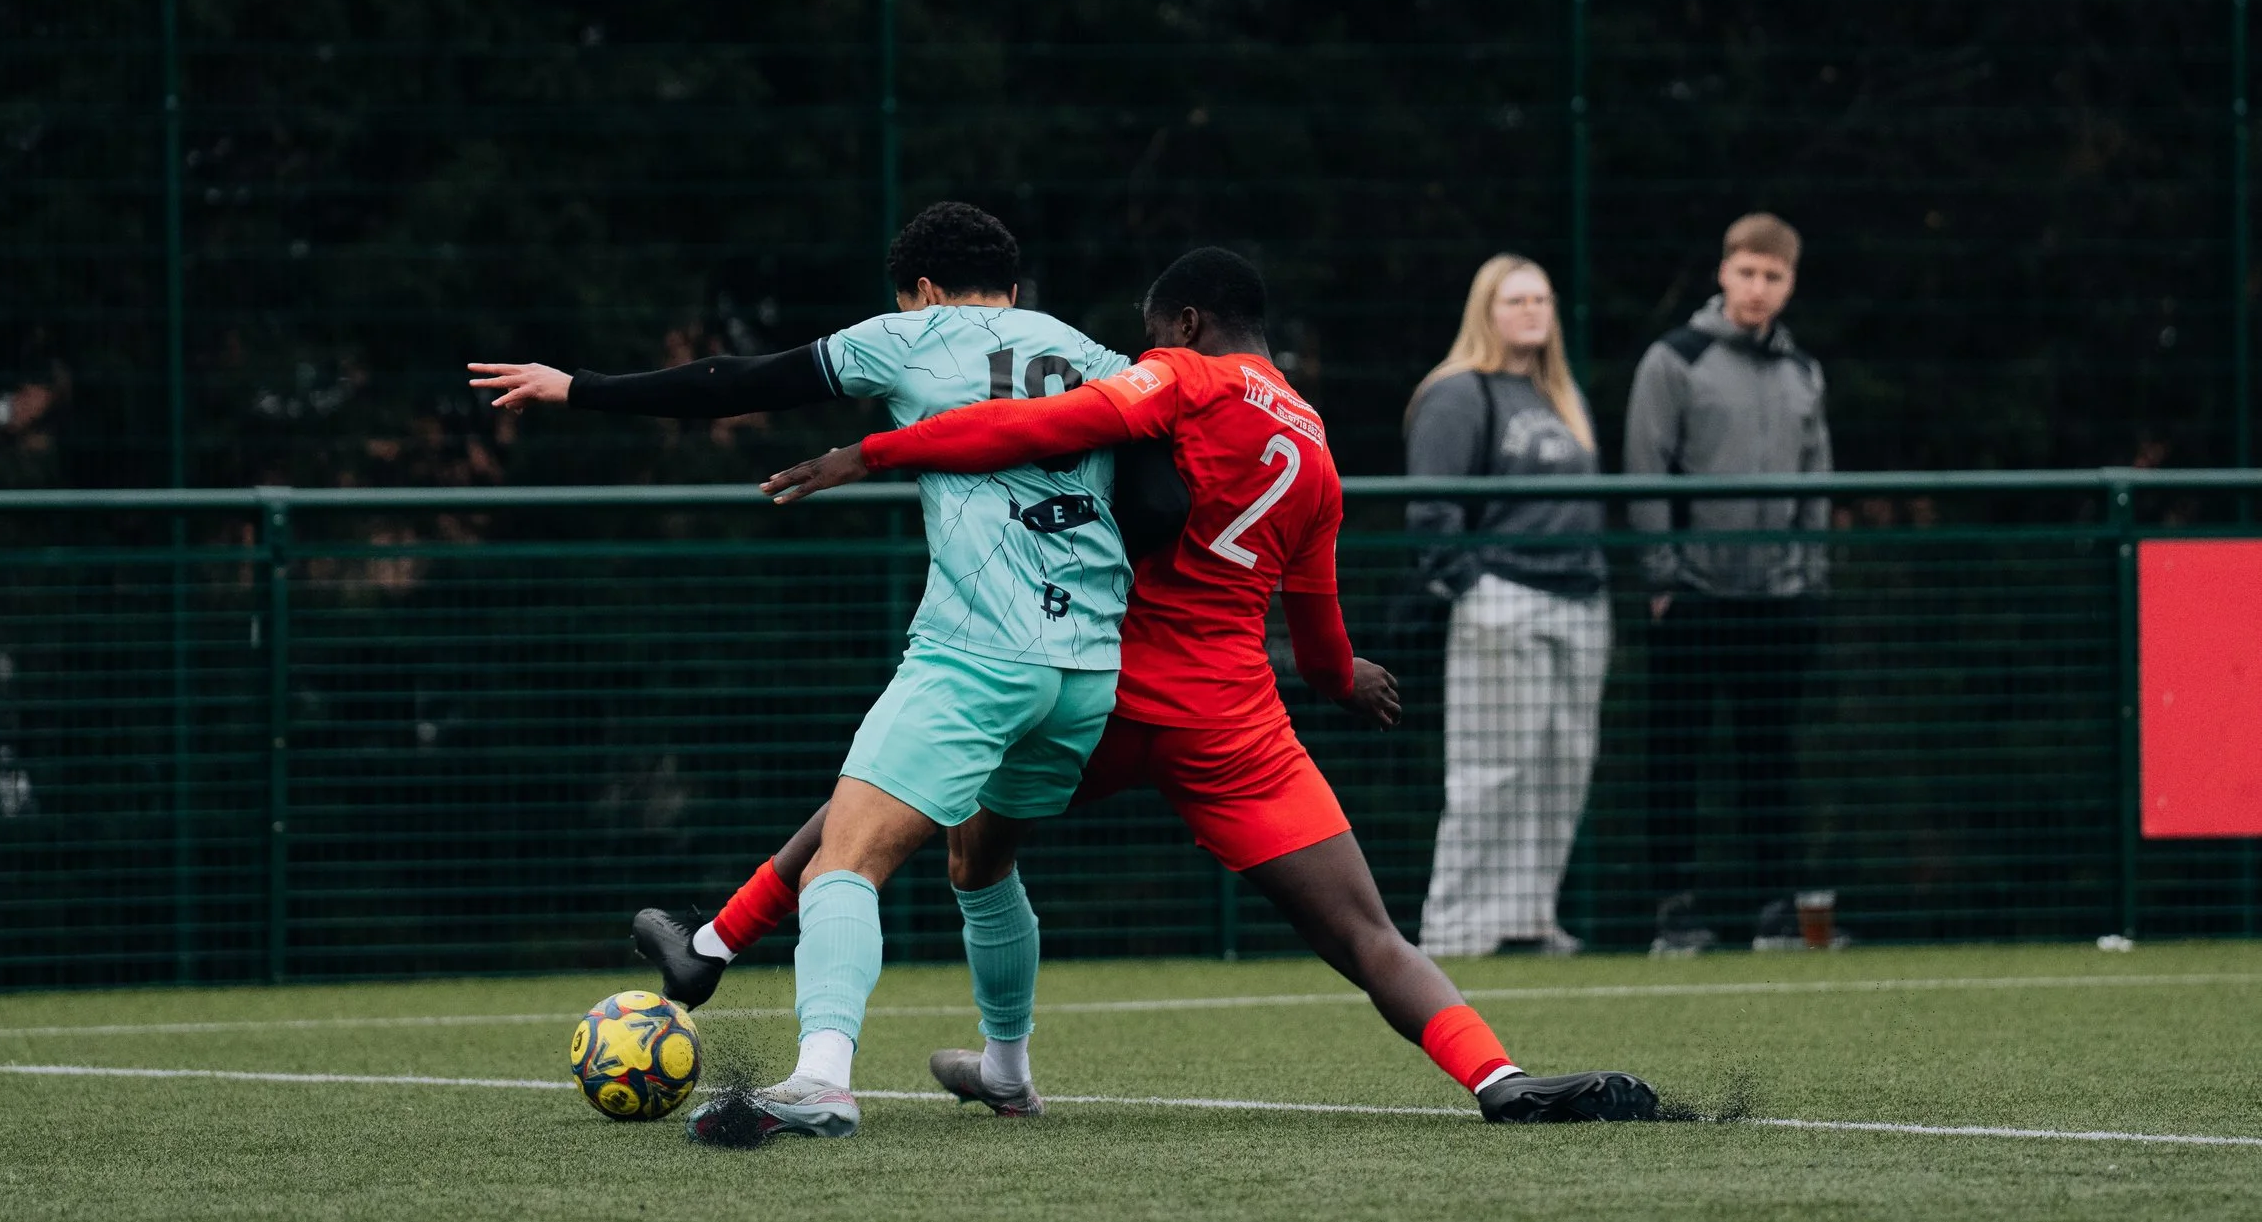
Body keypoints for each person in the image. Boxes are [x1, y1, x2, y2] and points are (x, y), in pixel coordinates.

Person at [759, 247, 1659, 1128]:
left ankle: (754, 947)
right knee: (1368, 933)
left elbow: (1031, 428)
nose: (1150, 352)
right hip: (1232, 723)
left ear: (1186, 324)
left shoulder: (1182, 380)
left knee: (902, 815)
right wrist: (1352, 683)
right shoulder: (1315, 446)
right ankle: (1497, 1075)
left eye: (1157, 336)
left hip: (1095, 685)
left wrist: (875, 454)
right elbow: (1318, 651)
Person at [470, 201, 1147, 1139]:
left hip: (977, 652)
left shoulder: (912, 333)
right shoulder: (1100, 356)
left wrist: (578, 386)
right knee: (981, 862)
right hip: (1086, 663)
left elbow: (737, 381)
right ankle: (1007, 1072)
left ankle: (822, 1075)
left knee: (846, 860)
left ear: (922, 290)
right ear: (1015, 286)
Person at [1623, 212, 1833, 954]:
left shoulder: (1803, 371)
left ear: (1789, 283)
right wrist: (1664, 577)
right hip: (1694, 596)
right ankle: (1675, 912)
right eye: (1747, 272)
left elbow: (1817, 483)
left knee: (1770, 754)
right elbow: (1646, 473)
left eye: (1773, 276)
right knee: (1678, 753)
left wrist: (1808, 577)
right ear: (1723, 271)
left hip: (1780, 599)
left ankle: (1778, 911)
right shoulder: (1673, 359)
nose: (1758, 287)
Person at [1404, 254, 1608, 959]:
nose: (1532, 311)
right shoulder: (1459, 392)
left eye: (1543, 299)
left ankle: (1527, 917)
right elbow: (1430, 505)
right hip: (1503, 594)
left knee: (1562, 765)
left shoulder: (1561, 394)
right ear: (1486, 309)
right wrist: (1469, 585)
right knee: (1491, 768)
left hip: (1580, 599)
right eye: (1516, 299)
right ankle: (1456, 926)